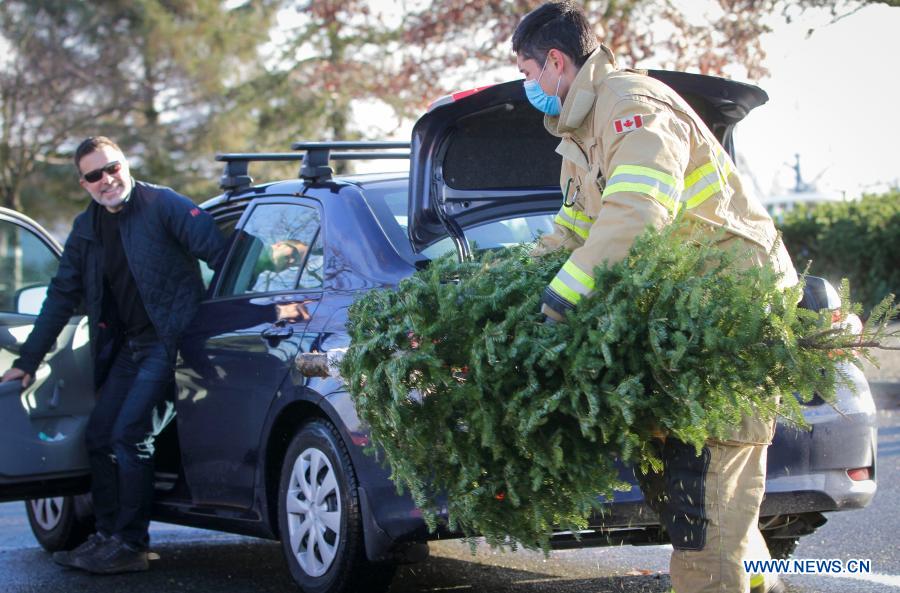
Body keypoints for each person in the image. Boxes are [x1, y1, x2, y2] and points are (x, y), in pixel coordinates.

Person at [512, 3, 796, 592]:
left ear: (556, 62)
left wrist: (561, 300)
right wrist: (511, 286)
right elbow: (573, 231)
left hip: (730, 319)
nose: (527, 86)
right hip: (684, 327)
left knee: (706, 519)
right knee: (711, 510)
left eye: (527, 70)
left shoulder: (632, 107)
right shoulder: (578, 138)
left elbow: (638, 215)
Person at [1, 136, 226, 574]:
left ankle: (131, 544)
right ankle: (106, 537)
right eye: (94, 175)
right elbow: (60, 298)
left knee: (129, 434)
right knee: (100, 435)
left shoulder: (164, 205)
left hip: (171, 342)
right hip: (131, 347)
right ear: (83, 183)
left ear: (126, 164)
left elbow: (221, 253)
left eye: (113, 168)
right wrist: (27, 363)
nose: (107, 180)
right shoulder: (86, 228)